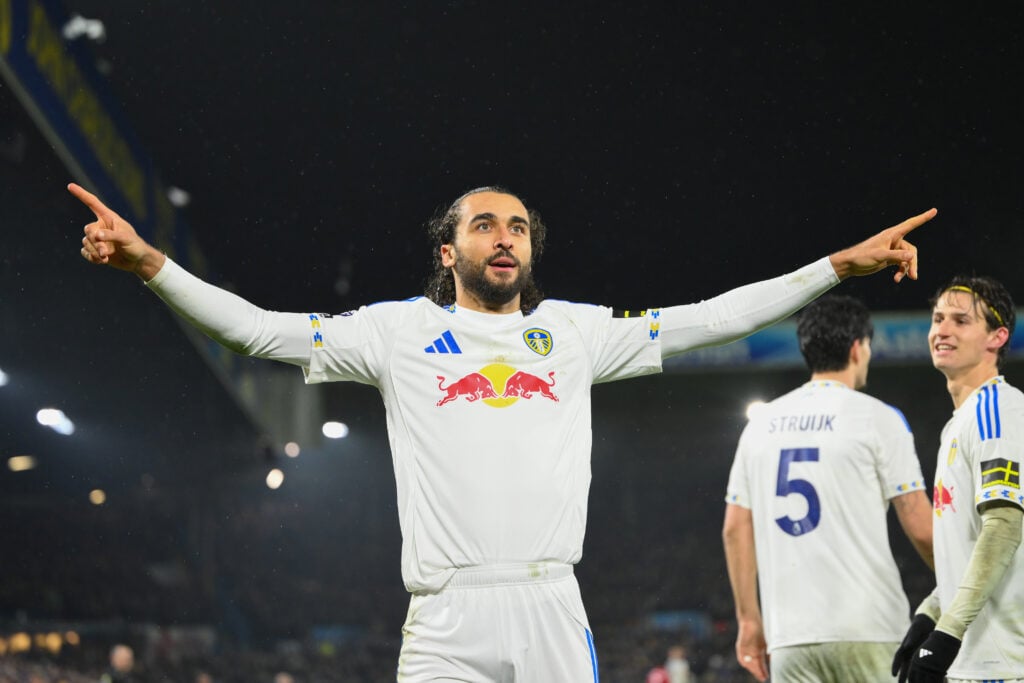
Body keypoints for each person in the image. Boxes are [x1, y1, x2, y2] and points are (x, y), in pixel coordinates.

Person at [71, 181, 934, 681]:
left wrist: (834, 266)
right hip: (445, 617)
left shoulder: (575, 332)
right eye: (484, 223)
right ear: (448, 251)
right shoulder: (396, 332)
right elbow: (257, 329)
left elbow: (713, 317)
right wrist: (151, 263)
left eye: (518, 224)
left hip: (551, 604)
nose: (505, 236)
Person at [721, 294, 934, 682]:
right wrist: (966, 589)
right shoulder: (879, 418)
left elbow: (735, 529)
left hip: (790, 638)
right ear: (858, 347)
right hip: (868, 630)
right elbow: (920, 525)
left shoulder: (760, 425)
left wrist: (749, 621)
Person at [891, 276, 1024, 683]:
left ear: (997, 337)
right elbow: (967, 544)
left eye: (961, 321)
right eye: (937, 319)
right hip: (978, 662)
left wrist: (946, 634)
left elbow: (1003, 528)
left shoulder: (997, 411)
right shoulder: (959, 424)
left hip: (1005, 663)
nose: (942, 330)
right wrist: (930, 613)